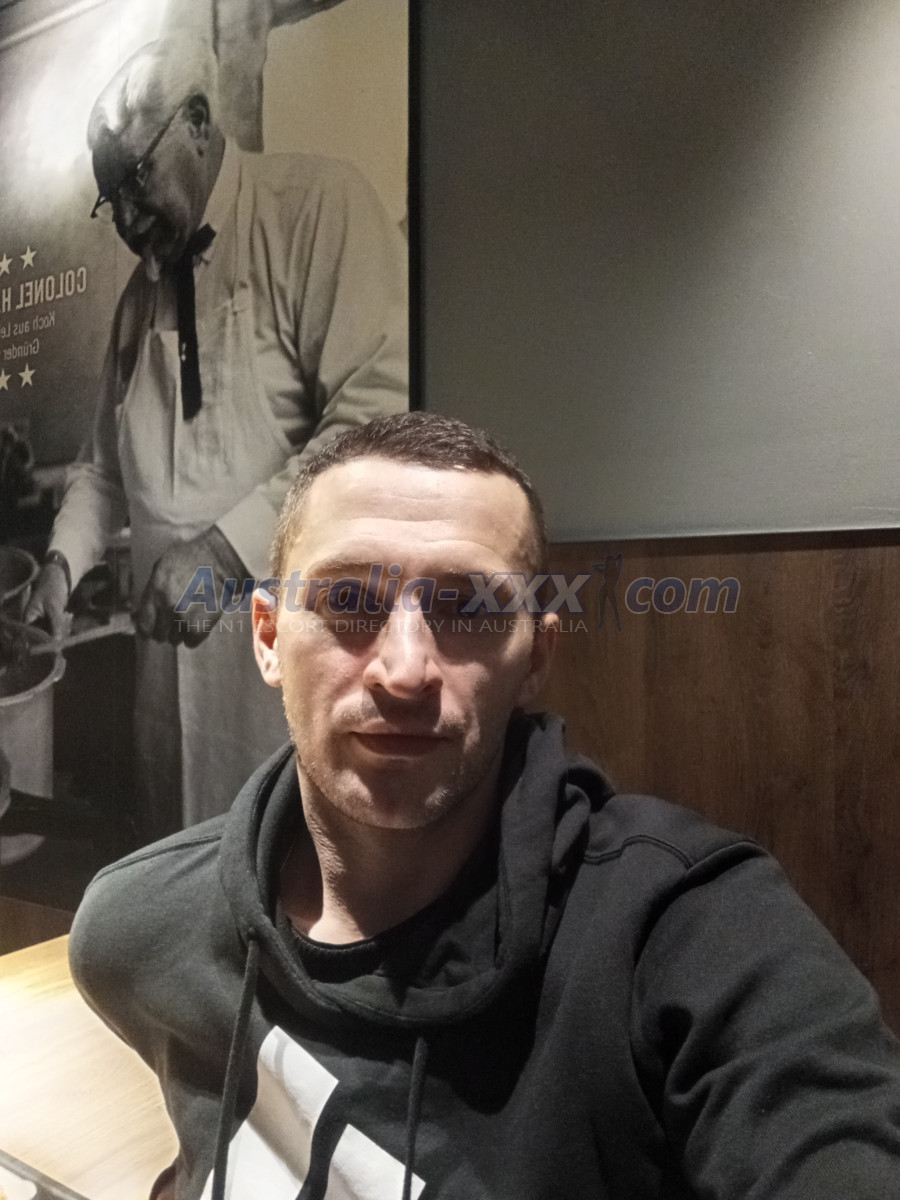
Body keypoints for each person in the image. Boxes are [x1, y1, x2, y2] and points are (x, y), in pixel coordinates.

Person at [69, 412, 900, 1200]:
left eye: (467, 607)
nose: (404, 671)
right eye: (348, 602)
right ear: (268, 638)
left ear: (535, 657)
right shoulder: (140, 930)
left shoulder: (684, 932)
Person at [24, 38, 407, 838]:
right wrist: (60, 567)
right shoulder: (137, 305)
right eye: (110, 200)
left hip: (292, 667)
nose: (126, 219)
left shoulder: (317, 210)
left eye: (135, 180)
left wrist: (226, 553)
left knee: (293, 857)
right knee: (183, 865)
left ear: (197, 122)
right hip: (166, 687)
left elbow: (378, 421)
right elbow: (101, 471)